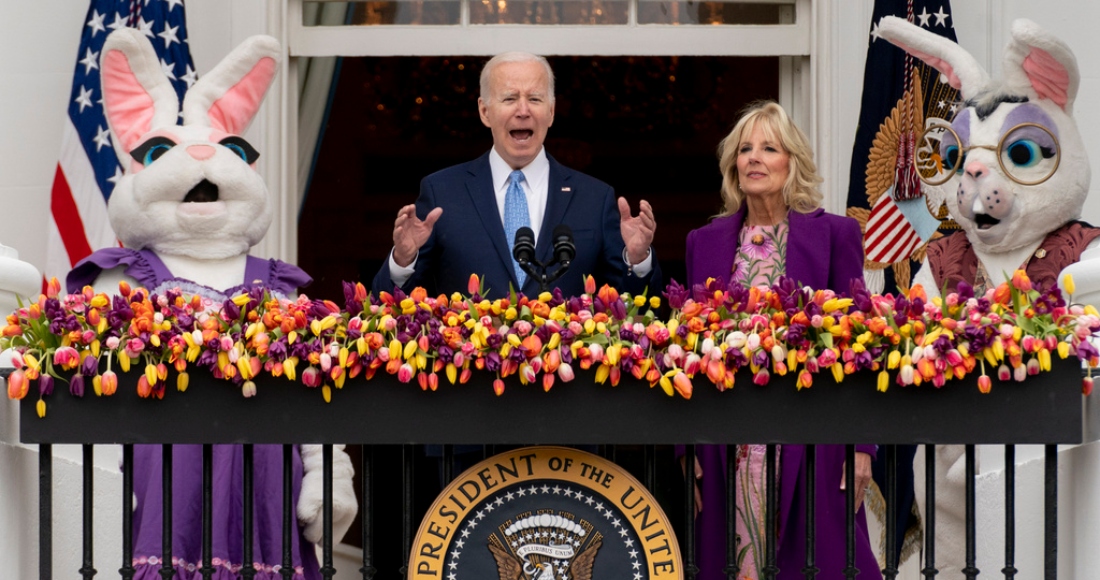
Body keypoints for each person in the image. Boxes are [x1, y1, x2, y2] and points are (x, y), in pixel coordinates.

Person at [683, 101, 879, 579]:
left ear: (792, 161)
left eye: (769, 148)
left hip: (813, 440)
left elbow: (858, 344)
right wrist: (687, 450)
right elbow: (686, 351)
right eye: (745, 149)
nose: (754, 158)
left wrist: (861, 449)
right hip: (727, 443)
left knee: (818, 563)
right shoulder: (702, 242)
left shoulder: (834, 235)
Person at [371, 51, 661, 300]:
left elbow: (636, 309)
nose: (523, 110)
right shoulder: (442, 192)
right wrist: (403, 260)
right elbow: (389, 307)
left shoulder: (595, 199)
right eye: (509, 98)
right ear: (485, 111)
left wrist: (637, 260)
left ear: (551, 111)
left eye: (534, 98)